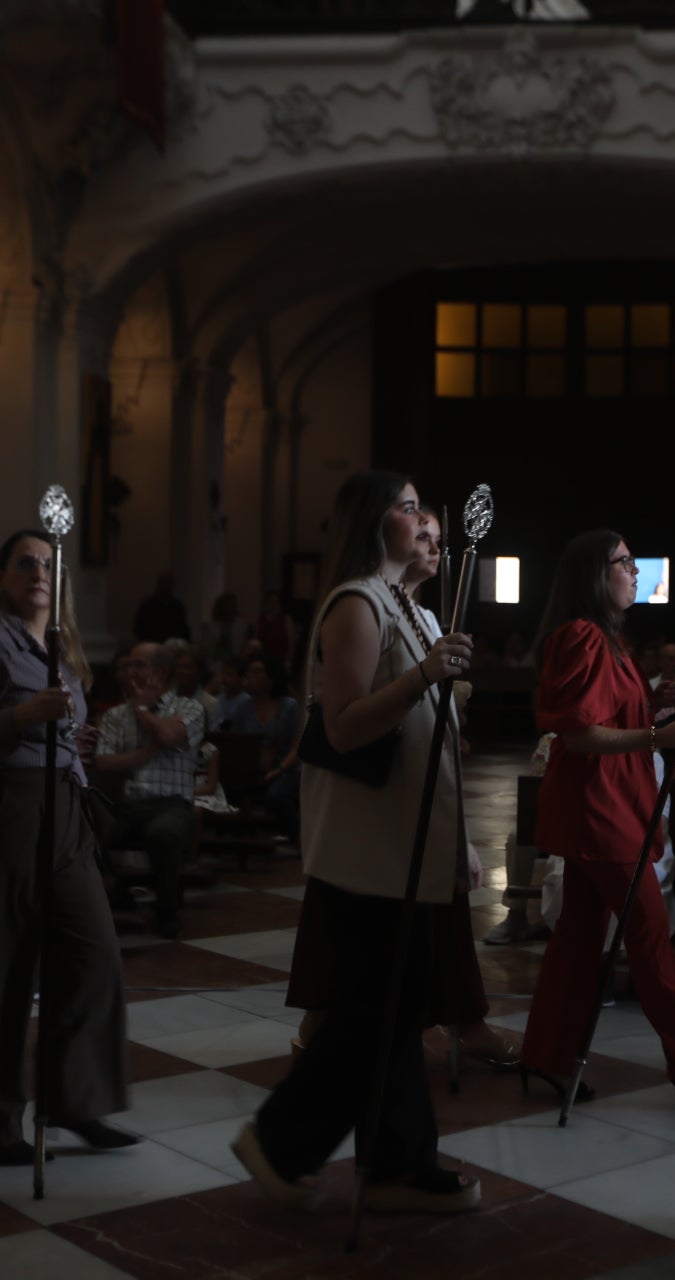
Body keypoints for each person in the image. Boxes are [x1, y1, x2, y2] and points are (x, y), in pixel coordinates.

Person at [232, 470, 482, 1215]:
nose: (422, 519)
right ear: (376, 521)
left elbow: (435, 742)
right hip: (369, 847)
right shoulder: (356, 603)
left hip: (406, 843)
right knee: (375, 1010)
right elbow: (342, 726)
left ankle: (396, 1160)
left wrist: (460, 841)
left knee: (395, 1008)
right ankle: (279, 1142)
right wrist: (425, 675)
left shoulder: (405, 606)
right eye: (408, 508)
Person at [518, 530, 675, 1104]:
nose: (635, 571)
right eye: (623, 562)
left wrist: (656, 724)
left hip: (611, 802)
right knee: (647, 933)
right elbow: (578, 734)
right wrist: (653, 737)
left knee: (576, 941)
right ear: (596, 575)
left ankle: (547, 1057)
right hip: (599, 809)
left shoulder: (608, 639)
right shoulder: (582, 637)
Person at [0, 529, 134, 1165]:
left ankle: (75, 1100)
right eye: (25, 563)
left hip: (65, 810)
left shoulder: (61, 648)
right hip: (7, 811)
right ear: (2, 575)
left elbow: (61, 729)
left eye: (49, 565)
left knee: (94, 955)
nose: (39, 573)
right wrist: (22, 717)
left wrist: (75, 748)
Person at [93, 641, 206, 939]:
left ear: (162, 671)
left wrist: (142, 709)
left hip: (170, 805)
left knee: (163, 834)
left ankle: (167, 910)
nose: (130, 672)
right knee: (83, 826)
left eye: (139, 665)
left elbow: (168, 736)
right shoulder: (115, 715)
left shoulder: (188, 707)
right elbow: (104, 763)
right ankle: (118, 896)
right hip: (124, 804)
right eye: (128, 666)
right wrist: (149, 751)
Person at [132, 570, 192, 644]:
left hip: (172, 647)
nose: (166, 585)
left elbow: (183, 630)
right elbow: (139, 629)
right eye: (164, 582)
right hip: (152, 645)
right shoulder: (147, 605)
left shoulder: (178, 606)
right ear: (159, 583)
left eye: (169, 583)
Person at [253, 589, 295, 665]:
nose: (273, 604)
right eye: (271, 601)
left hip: (280, 660)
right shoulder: (261, 619)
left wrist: (289, 661)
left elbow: (291, 643)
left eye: (275, 601)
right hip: (263, 660)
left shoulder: (286, 619)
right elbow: (256, 639)